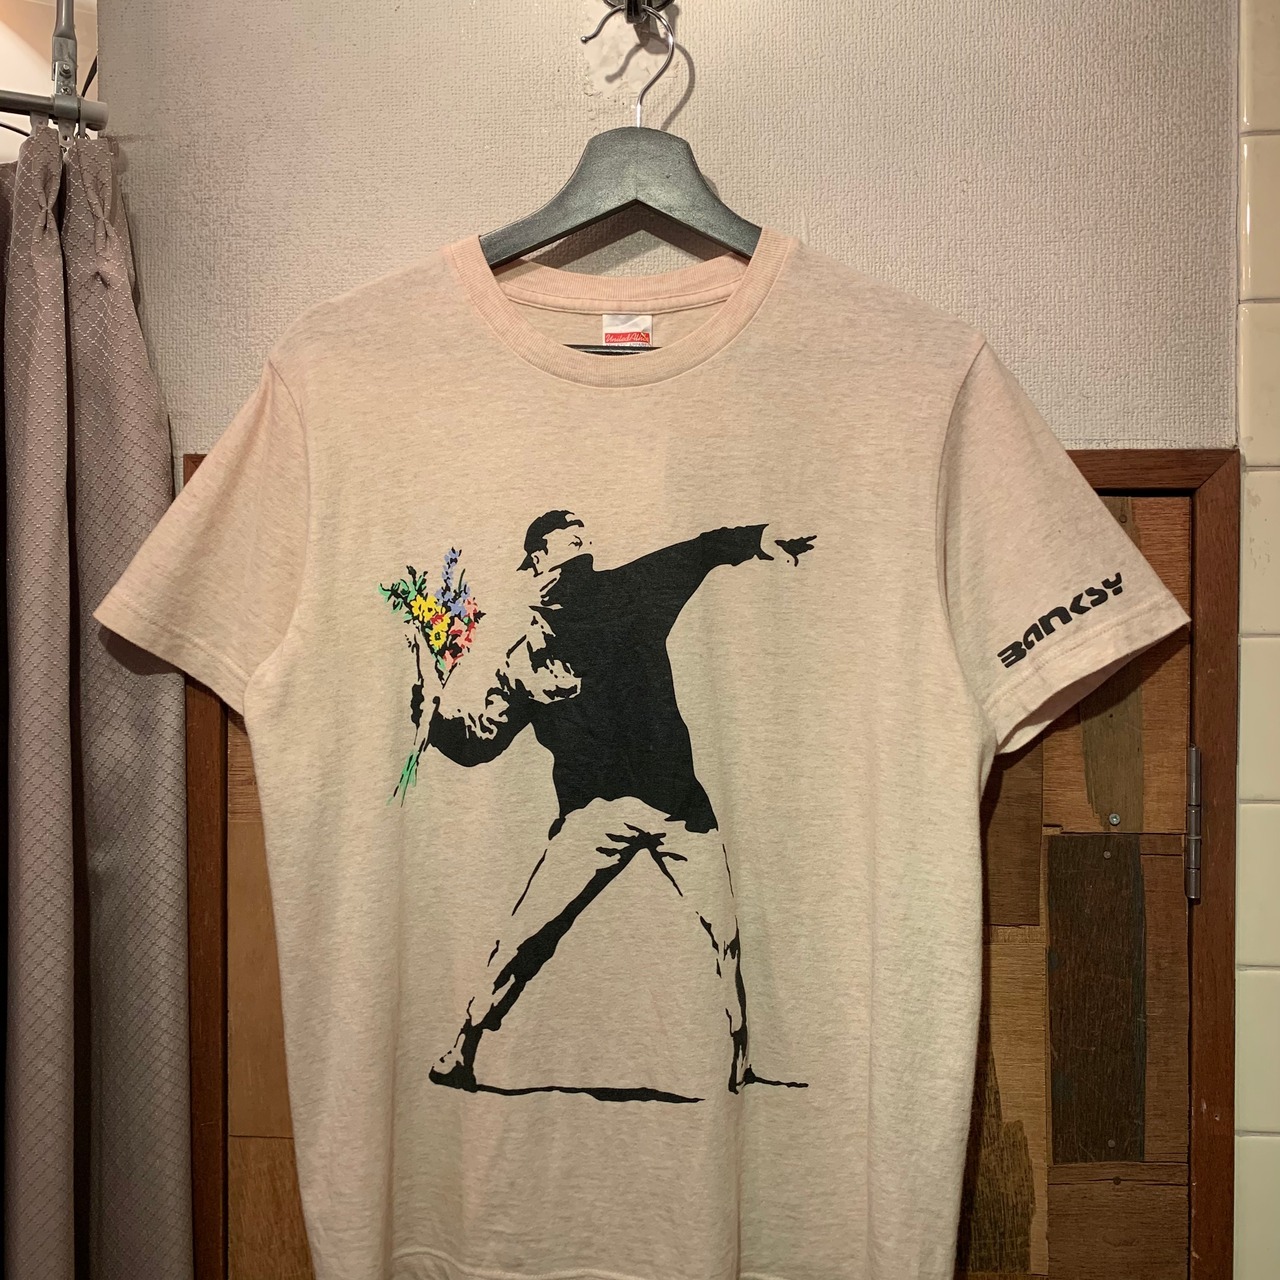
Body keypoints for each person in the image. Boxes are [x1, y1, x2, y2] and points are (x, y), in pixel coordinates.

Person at [427, 510, 817, 1096]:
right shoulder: (524, 658)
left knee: (725, 931)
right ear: (536, 561)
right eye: (565, 538)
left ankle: (742, 1066)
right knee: (527, 936)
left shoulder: (631, 591)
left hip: (678, 808)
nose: (577, 541)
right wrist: (433, 720)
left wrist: (758, 541)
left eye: (581, 536)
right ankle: (464, 1047)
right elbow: (479, 743)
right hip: (594, 817)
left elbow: (699, 551)